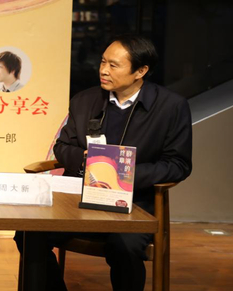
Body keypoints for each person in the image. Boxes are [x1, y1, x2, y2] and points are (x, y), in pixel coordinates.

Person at [14, 35, 193, 291]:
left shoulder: (171, 107)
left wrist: (124, 174)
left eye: (113, 65)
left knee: (125, 246)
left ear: (140, 71)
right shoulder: (85, 101)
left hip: (134, 203)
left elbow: (178, 164)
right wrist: (86, 160)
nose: (103, 70)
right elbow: (62, 146)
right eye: (102, 62)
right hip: (79, 199)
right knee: (28, 233)